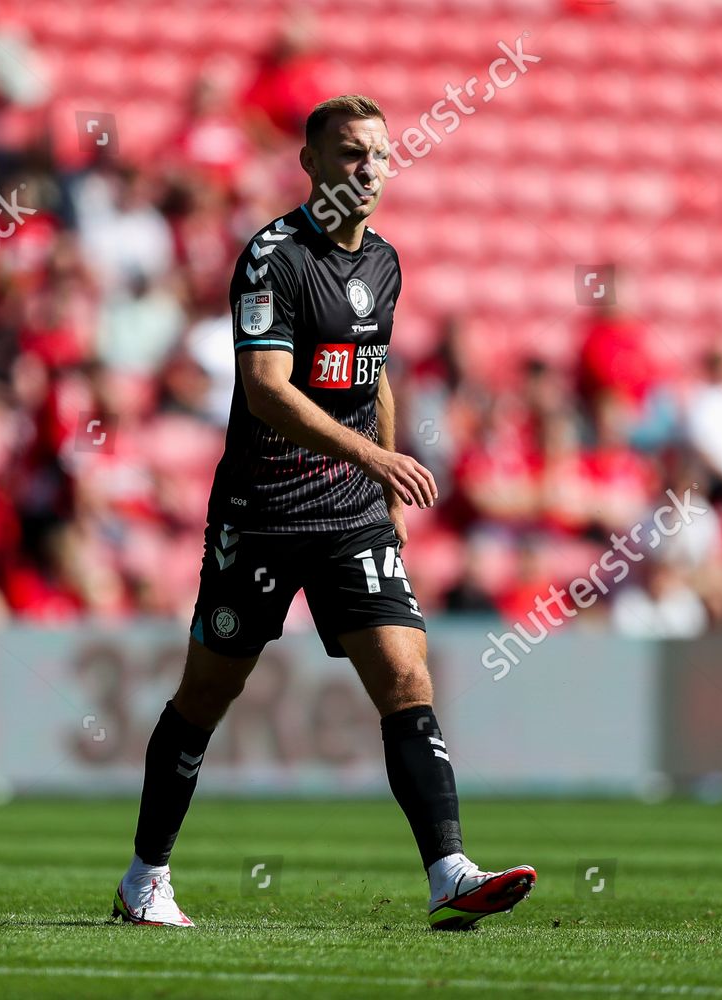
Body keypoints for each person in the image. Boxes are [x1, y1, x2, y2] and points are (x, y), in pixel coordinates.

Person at [111, 95, 535, 930]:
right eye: (348, 154)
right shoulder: (272, 258)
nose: (367, 169)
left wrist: (380, 493)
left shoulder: (385, 262)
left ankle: (448, 870)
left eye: (378, 154)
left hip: (350, 516)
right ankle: (144, 878)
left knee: (407, 675)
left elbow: (371, 372)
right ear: (308, 163)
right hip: (263, 513)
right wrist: (379, 459)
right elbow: (266, 394)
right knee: (204, 698)